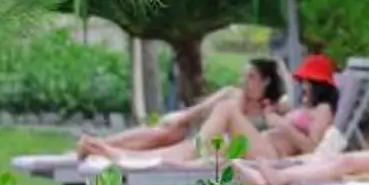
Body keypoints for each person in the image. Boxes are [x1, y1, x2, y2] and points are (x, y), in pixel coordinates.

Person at [75, 58, 283, 160]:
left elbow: (292, 107)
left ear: (266, 81)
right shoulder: (234, 95)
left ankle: (107, 149)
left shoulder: (274, 107)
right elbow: (201, 110)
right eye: (245, 75)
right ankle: (103, 145)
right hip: (207, 138)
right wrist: (182, 118)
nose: (245, 81)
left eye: (252, 76)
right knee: (170, 131)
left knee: (174, 135)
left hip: (225, 149)